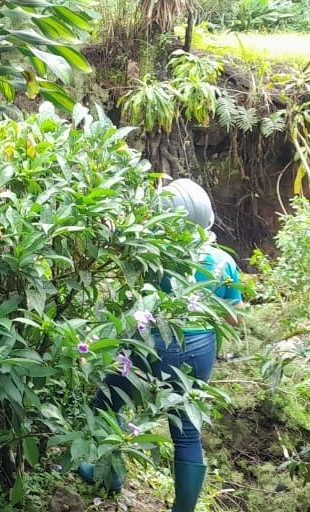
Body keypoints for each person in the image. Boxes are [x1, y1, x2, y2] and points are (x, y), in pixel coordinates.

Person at [79, 178, 244, 512]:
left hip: (153, 344)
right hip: (200, 349)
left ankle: (106, 474)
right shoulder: (224, 262)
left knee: (108, 401)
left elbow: (123, 264)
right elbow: (234, 318)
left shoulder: (158, 256)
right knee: (186, 429)